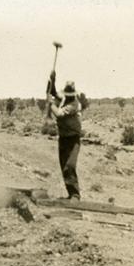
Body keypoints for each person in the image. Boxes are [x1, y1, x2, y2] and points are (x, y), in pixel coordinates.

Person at [48, 71, 82, 200]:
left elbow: (59, 114)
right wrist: (53, 81)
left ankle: (75, 195)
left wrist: (51, 104)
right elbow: (54, 93)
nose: (67, 97)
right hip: (63, 138)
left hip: (73, 139)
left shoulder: (74, 104)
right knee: (64, 166)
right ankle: (70, 193)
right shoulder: (64, 99)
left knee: (70, 165)